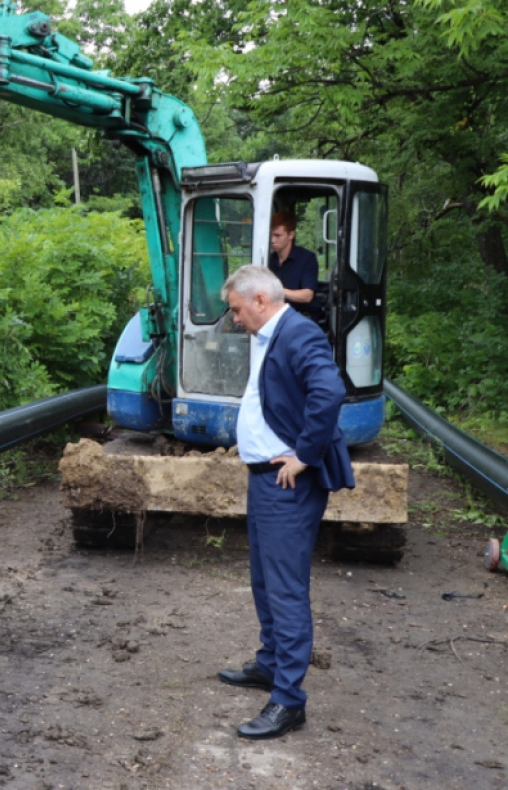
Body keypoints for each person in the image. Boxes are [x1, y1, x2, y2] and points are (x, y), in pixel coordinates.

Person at [217, 266, 354, 739]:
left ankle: (289, 701)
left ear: (259, 300)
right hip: (265, 480)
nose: (234, 318)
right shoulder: (268, 333)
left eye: (236, 308)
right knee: (263, 579)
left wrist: (304, 455)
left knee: (285, 589)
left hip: (287, 483)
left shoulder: (299, 332)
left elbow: (330, 391)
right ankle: (270, 664)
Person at [268, 211, 323, 325]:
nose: (272, 240)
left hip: (302, 318)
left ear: (291, 235)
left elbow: (307, 296)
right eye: (271, 235)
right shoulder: (269, 260)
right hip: (275, 316)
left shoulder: (307, 258)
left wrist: (278, 291)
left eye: (278, 235)